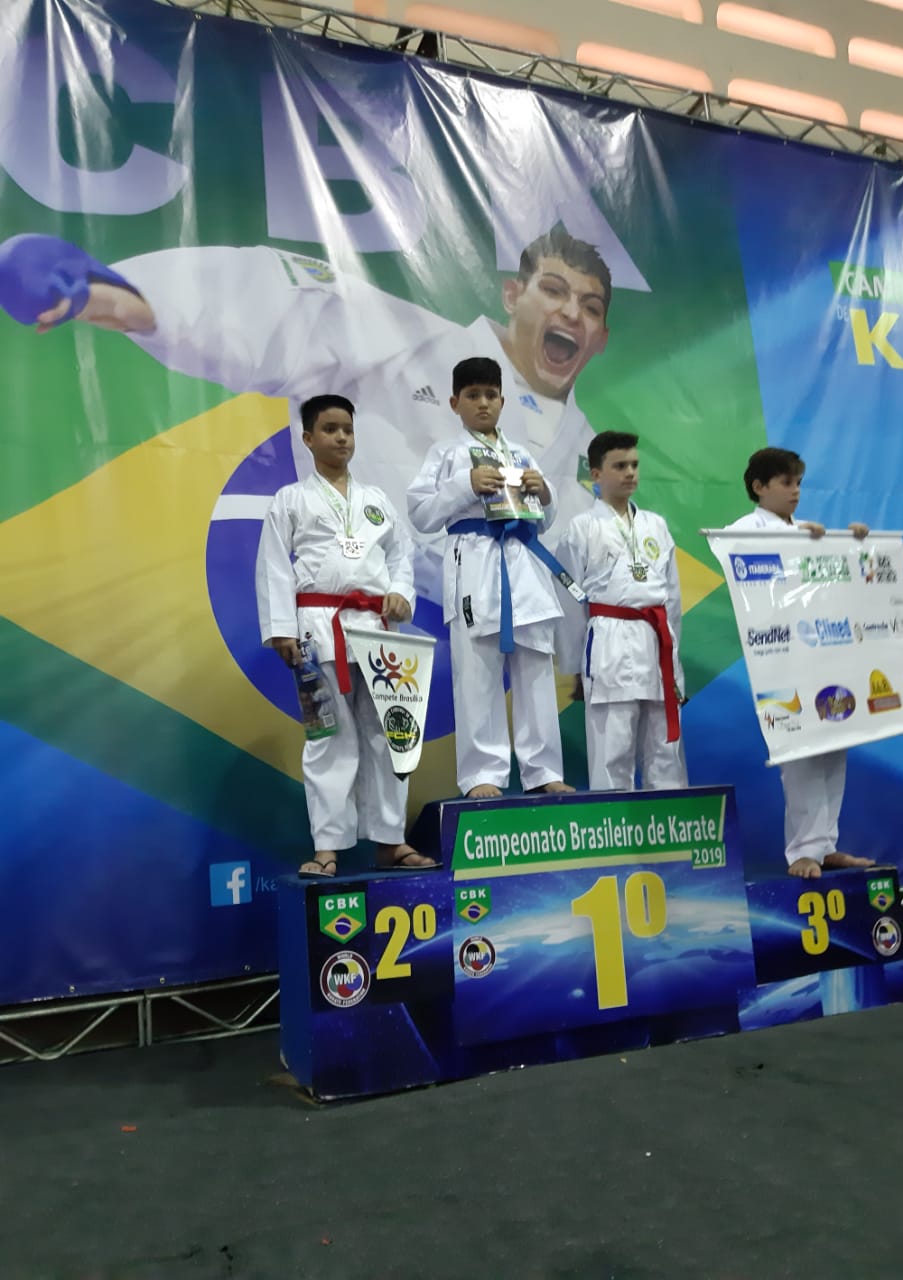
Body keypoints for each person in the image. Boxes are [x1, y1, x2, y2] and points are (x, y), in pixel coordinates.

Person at [0, 226, 612, 582]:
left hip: (521, 651)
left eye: (588, 307)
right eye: (553, 291)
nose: (569, 313)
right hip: (384, 612)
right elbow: (295, 304)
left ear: (600, 337)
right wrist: (133, 299)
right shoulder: (418, 344)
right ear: (513, 295)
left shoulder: (590, 455)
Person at [256, 393, 438, 877]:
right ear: (308, 437)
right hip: (319, 630)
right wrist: (282, 629)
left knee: (388, 735)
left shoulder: (376, 500)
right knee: (329, 738)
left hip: (378, 632)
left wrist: (399, 593)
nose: (341, 438)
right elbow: (273, 564)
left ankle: (391, 841)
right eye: (330, 429)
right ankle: (328, 847)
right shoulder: (291, 499)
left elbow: (401, 555)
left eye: (348, 430)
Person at [407, 356, 577, 799]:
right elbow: (421, 514)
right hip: (475, 568)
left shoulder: (521, 453)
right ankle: (482, 773)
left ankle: (544, 770)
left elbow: (544, 520)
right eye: (472, 395)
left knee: (536, 671)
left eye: (490, 395)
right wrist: (465, 483)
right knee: (477, 674)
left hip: (523, 566)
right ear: (454, 402)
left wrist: (545, 492)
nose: (483, 403)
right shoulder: (446, 454)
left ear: (503, 400)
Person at [726, 446, 875, 880]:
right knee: (801, 752)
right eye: (786, 483)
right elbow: (743, 563)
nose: (795, 491)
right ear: (759, 487)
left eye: (798, 483)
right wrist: (799, 542)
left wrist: (853, 546)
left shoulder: (806, 532)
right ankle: (802, 852)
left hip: (823, 650)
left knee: (832, 748)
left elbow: (839, 582)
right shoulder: (744, 530)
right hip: (780, 657)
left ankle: (825, 845)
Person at [556, 431, 687, 792]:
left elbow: (672, 598)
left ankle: (669, 817)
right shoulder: (582, 528)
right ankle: (613, 822)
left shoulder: (655, 525)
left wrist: (674, 658)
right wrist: (575, 666)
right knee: (612, 751)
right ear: (596, 474)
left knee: (666, 749)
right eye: (619, 466)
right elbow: (569, 600)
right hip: (608, 642)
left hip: (656, 640)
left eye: (634, 465)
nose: (630, 472)